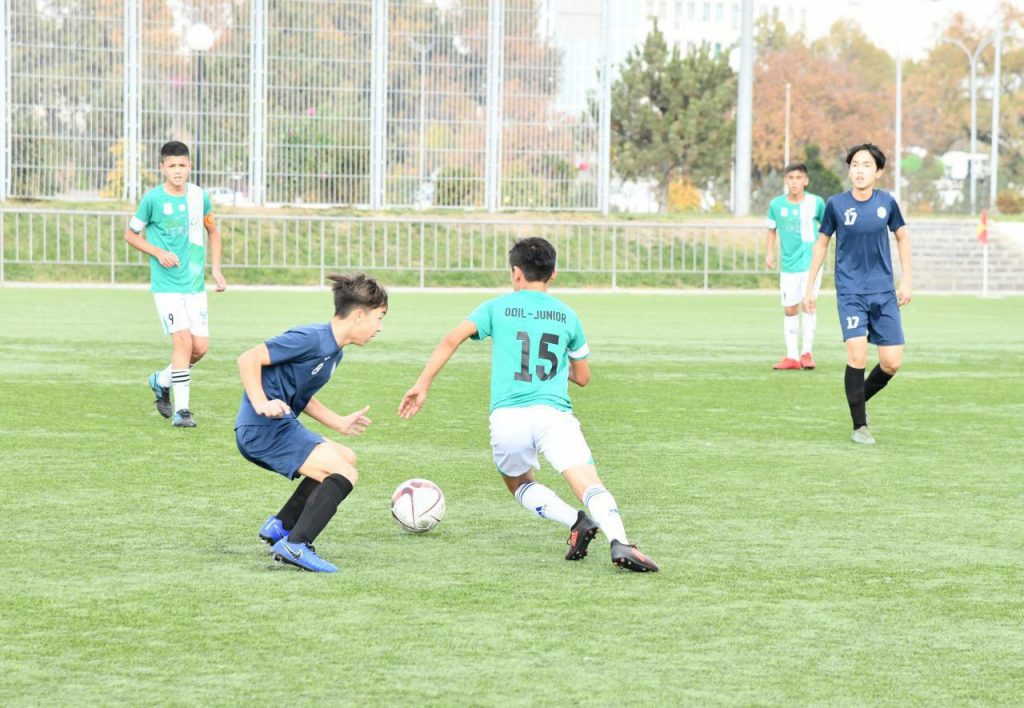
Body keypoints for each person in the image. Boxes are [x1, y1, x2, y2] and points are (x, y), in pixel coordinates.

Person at [398, 237, 659, 572]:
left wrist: (422, 385)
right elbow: (583, 377)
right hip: (553, 415)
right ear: (553, 273)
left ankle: (576, 522)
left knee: (519, 482)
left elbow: (452, 338)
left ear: (515, 273)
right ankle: (620, 540)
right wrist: (554, 372)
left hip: (508, 418)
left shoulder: (496, 307)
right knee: (587, 482)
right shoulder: (568, 316)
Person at [235, 273, 387, 573]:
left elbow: (301, 396)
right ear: (359, 315)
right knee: (344, 472)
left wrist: (338, 422)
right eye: (379, 318)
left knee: (346, 457)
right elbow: (248, 359)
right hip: (262, 429)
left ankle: (281, 526)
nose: (380, 327)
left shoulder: (334, 353)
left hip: (280, 426)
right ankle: (297, 544)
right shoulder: (312, 338)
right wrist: (261, 403)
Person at [803, 144, 912, 445]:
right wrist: (810, 288)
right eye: (854, 165)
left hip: (884, 292)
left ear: (878, 172)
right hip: (851, 291)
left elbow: (902, 238)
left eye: (866, 165)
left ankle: (857, 399)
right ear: (849, 170)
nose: (860, 170)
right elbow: (821, 244)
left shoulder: (887, 202)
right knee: (857, 354)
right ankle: (859, 425)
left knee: (891, 362)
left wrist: (907, 280)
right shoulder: (836, 204)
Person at [124, 140, 226, 428]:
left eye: (182, 165)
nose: (177, 171)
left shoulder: (199, 197)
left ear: (190, 166)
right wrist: (158, 252)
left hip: (195, 285)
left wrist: (216, 270)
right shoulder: (152, 200)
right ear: (162, 168)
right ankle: (183, 411)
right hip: (167, 287)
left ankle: (161, 380)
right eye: (172, 166)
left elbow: (213, 232)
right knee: (182, 342)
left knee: (199, 348)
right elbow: (130, 235)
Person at [765, 162, 826, 370]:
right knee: (790, 308)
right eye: (790, 178)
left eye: (798, 178)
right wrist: (770, 252)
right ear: (785, 181)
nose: (794, 182)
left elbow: (827, 229)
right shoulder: (776, 205)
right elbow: (771, 229)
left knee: (809, 304)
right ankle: (792, 356)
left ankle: (806, 353)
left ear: (806, 181)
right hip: (789, 265)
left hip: (811, 264)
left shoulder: (816, 203)